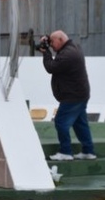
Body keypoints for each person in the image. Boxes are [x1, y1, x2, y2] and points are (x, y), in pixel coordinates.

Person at [40, 30, 96, 161]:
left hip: (73, 96)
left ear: (60, 40)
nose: (51, 45)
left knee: (61, 122)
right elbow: (57, 58)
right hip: (80, 94)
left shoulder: (68, 55)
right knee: (80, 123)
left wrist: (46, 53)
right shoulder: (73, 48)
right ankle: (88, 151)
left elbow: (51, 67)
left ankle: (66, 152)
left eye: (52, 42)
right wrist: (48, 43)